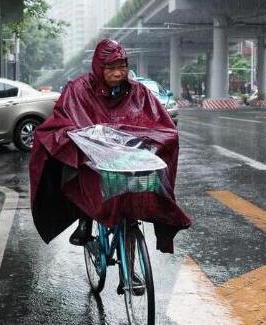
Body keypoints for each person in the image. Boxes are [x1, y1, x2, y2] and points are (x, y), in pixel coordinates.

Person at [29, 39, 191, 253]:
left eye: (122, 67)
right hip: (94, 160)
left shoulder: (138, 92)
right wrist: (80, 138)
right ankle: (85, 219)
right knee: (84, 176)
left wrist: (153, 141)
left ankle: (131, 272)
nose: (118, 73)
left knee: (140, 195)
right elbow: (63, 120)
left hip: (129, 159)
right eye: (111, 68)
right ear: (99, 68)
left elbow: (160, 124)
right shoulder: (78, 90)